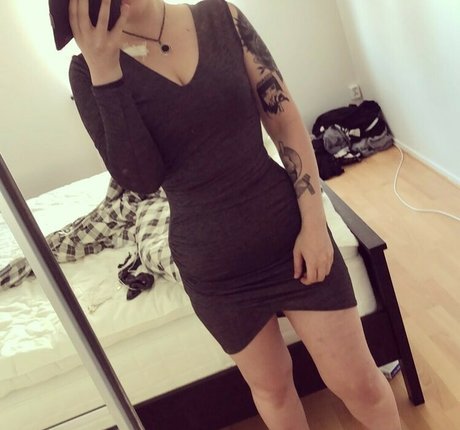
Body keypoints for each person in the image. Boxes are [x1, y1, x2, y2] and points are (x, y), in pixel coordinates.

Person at [68, 0, 402, 428]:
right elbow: (142, 180)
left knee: (360, 383)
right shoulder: (88, 70)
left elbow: (284, 121)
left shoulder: (221, 17)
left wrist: (316, 225)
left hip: (290, 235)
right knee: (272, 390)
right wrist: (105, 71)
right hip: (214, 273)